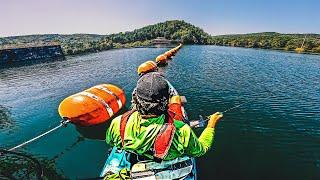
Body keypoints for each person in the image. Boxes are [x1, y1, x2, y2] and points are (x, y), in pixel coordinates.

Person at [106, 72, 223, 161]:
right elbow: (200, 150)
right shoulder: (181, 131)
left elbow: (110, 141)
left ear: (135, 98)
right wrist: (211, 124)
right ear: (167, 102)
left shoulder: (118, 122)